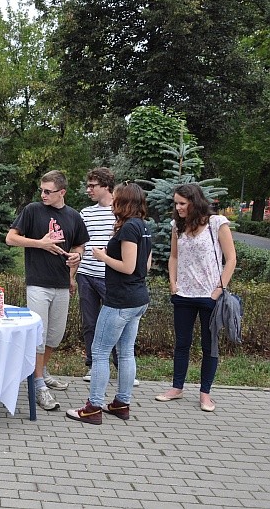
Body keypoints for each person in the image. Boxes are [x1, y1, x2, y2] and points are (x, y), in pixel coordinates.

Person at [66, 182, 152, 424]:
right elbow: (143, 266)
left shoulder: (128, 229)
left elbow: (128, 266)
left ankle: (93, 407)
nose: (113, 202)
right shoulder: (143, 227)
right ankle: (121, 404)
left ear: (122, 202)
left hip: (120, 300)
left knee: (100, 351)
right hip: (138, 298)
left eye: (116, 199)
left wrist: (103, 256)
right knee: (126, 353)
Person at [6, 170, 89, 411]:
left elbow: (79, 245)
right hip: (38, 284)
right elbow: (11, 238)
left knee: (54, 335)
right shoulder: (32, 210)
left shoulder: (73, 216)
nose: (43, 194)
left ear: (62, 192)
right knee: (38, 338)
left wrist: (77, 258)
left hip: (62, 284)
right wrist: (39, 243)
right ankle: (39, 385)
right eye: (41, 190)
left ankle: (40, 372)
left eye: (48, 191)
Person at [155, 183, 237, 412]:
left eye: (182, 203)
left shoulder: (216, 223)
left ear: (195, 202)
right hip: (183, 295)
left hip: (209, 296)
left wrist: (218, 290)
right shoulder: (177, 225)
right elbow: (173, 257)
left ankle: (205, 394)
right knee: (182, 344)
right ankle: (177, 387)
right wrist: (173, 283)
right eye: (176, 203)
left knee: (209, 346)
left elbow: (231, 259)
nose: (178, 207)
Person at [75, 168, 139, 386]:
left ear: (106, 186)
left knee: (118, 324)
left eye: (93, 186)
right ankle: (94, 366)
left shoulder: (120, 212)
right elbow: (80, 244)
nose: (88, 190)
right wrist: (73, 271)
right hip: (86, 275)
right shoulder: (85, 213)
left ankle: (123, 367)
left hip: (111, 277)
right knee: (90, 323)